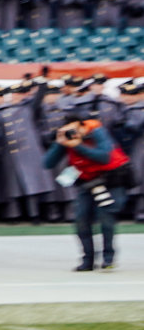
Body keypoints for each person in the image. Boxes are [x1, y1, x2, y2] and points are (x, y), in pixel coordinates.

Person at [53, 110, 130, 271]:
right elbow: (48, 162)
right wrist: (59, 142)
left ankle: (108, 258)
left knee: (106, 217)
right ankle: (87, 260)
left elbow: (104, 157)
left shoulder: (97, 132)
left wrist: (79, 146)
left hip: (112, 180)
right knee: (81, 219)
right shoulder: (67, 140)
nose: (74, 133)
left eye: (75, 129)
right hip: (88, 182)